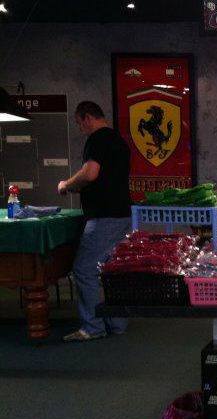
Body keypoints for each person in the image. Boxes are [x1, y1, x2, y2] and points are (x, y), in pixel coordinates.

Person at [58, 101, 132, 342]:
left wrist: (66, 185)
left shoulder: (97, 139)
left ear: (88, 118)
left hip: (104, 216)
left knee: (84, 269)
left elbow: (90, 173)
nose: (81, 129)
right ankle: (117, 324)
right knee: (113, 271)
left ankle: (92, 327)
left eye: (79, 124)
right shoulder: (119, 141)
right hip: (122, 213)